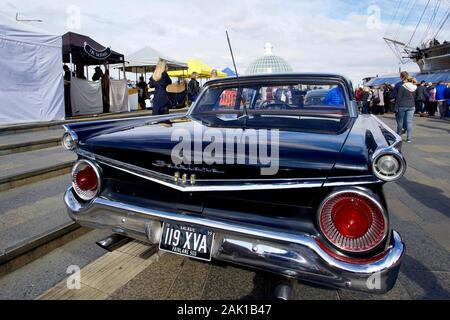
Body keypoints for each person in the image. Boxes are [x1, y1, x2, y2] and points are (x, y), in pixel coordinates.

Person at [395, 77, 417, 143]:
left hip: (402, 105)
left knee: (400, 121)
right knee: (409, 122)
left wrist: (396, 107)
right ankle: (408, 138)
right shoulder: (415, 87)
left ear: (407, 80)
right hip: (412, 106)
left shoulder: (403, 87)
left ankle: (398, 136)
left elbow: (399, 97)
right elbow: (415, 97)